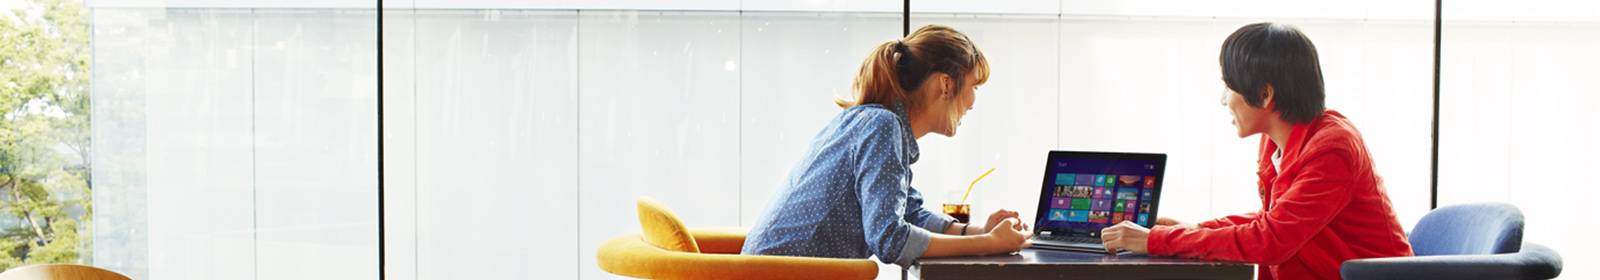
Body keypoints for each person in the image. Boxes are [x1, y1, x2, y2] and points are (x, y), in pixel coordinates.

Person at [1099, 22, 1414, 280]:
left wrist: (1158, 241)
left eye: (1229, 86)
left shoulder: (1333, 148)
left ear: (1265, 95)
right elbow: (1276, 220)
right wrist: (1193, 229)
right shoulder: (1278, 141)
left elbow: (1272, 239)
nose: (1224, 100)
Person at [741, 25, 1032, 267]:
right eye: (973, 87)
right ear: (945, 84)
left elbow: (909, 212)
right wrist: (987, 244)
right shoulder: (882, 126)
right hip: (783, 273)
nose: (972, 103)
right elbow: (890, 239)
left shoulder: (871, 121)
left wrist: (979, 231)